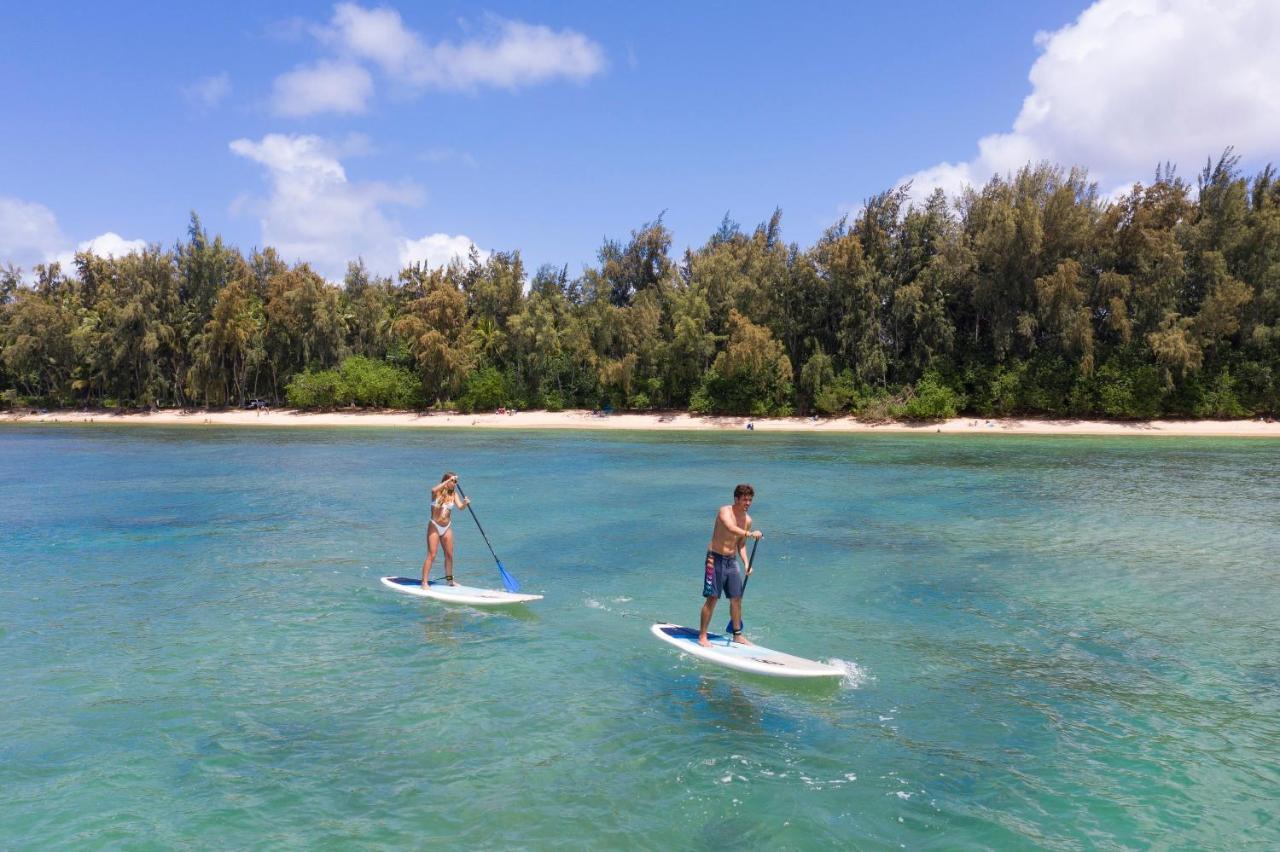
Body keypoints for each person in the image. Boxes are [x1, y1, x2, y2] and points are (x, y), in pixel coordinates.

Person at [698, 484, 763, 646]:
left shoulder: (747, 520)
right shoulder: (725, 511)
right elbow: (730, 528)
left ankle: (737, 634)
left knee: (736, 598)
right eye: (744, 500)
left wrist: (747, 564)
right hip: (715, 558)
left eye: (750, 500)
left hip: (731, 560)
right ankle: (703, 636)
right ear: (736, 499)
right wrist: (750, 534)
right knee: (712, 598)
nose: (747, 503)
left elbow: (741, 544)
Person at [422, 472, 470, 587]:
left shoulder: (453, 494)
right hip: (434, 525)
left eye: (455, 481)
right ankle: (424, 582)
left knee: (449, 555)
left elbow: (460, 507)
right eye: (452, 481)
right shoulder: (437, 493)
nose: (454, 483)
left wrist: (465, 503)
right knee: (432, 555)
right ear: (446, 481)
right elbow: (433, 490)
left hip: (446, 527)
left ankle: (449, 580)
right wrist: (447, 481)